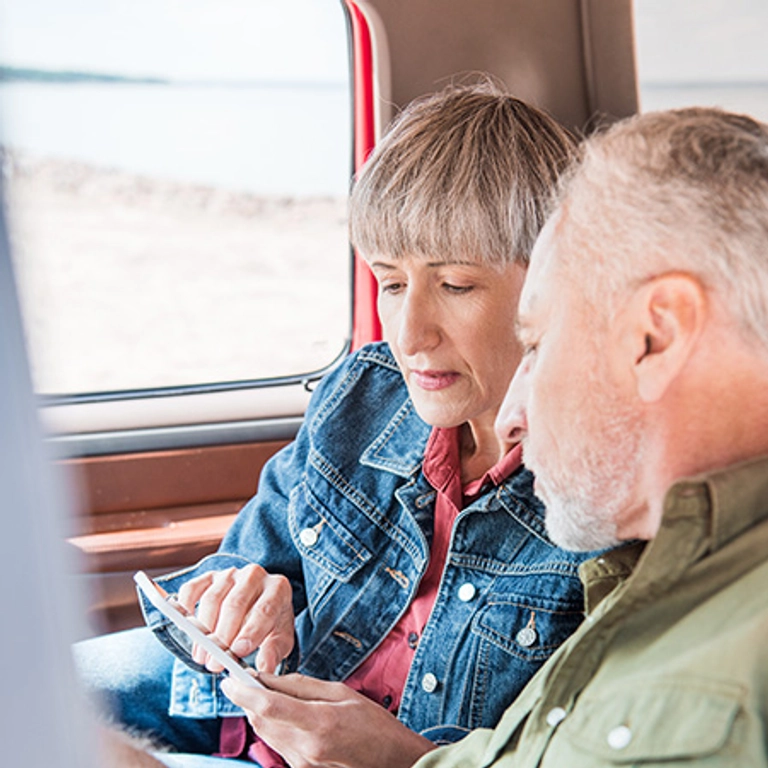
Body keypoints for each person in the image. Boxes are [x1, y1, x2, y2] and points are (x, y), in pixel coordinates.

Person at [76, 83, 595, 768]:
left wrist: (407, 757)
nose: (409, 335)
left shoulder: (602, 495)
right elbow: (253, 556)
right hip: (244, 713)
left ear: (548, 288)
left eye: (455, 285)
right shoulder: (366, 394)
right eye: (391, 283)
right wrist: (243, 598)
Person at [327, 105, 768, 767]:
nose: (512, 418)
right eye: (389, 282)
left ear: (656, 337)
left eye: (535, 344)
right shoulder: (650, 578)